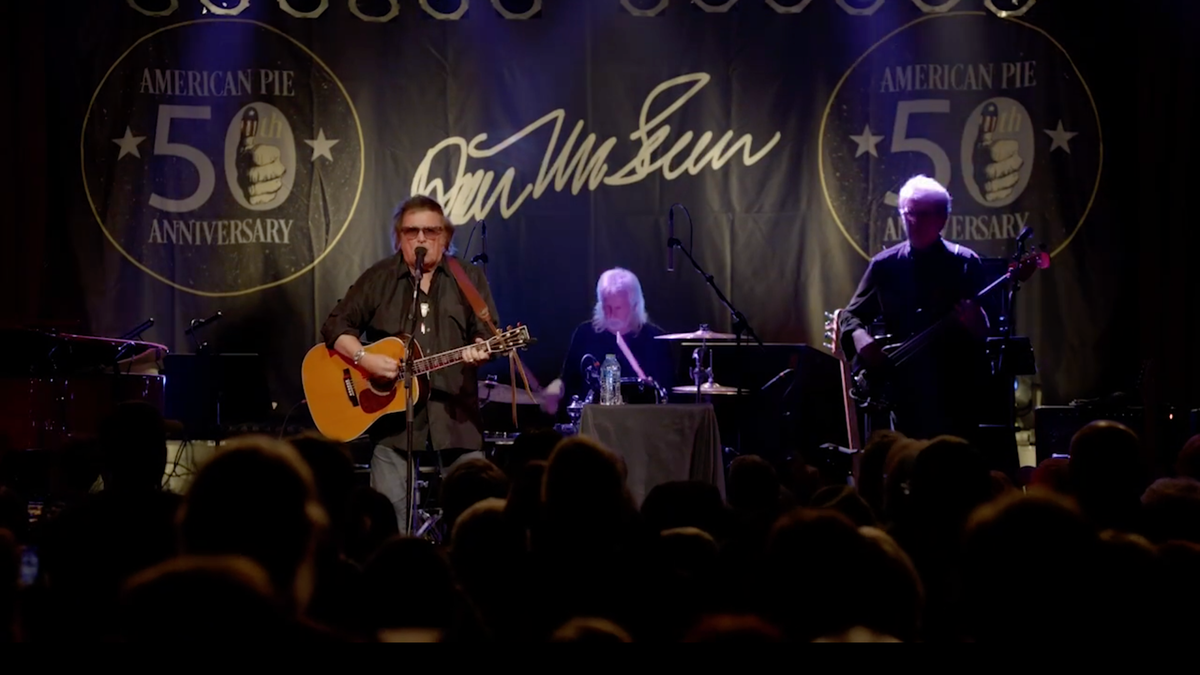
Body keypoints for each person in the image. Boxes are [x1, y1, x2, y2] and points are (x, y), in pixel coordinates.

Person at [320, 195, 496, 532]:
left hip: (456, 419)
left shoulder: (468, 279)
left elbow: (485, 335)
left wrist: (480, 349)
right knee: (388, 526)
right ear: (398, 236)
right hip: (392, 426)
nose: (420, 239)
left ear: (445, 237)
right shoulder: (381, 277)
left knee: (477, 523)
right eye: (411, 231)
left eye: (430, 232)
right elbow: (335, 326)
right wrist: (364, 358)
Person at [837, 175, 990, 443]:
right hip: (906, 391)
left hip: (955, 390)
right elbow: (851, 315)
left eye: (921, 214)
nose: (912, 221)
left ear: (942, 219)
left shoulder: (965, 263)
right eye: (907, 213)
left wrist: (975, 323)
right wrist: (862, 340)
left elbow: (985, 331)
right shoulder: (885, 266)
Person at [540, 268, 674, 416]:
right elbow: (567, 379)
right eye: (606, 306)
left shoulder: (656, 340)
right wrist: (555, 389)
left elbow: (667, 394)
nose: (610, 314)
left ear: (635, 306)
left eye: (618, 308)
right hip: (592, 424)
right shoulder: (584, 333)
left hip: (640, 425)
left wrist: (651, 389)